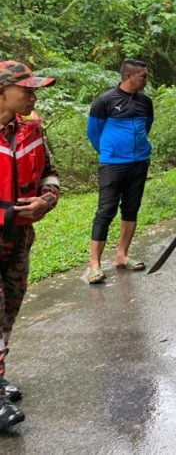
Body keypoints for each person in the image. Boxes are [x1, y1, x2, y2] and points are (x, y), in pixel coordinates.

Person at [0, 61, 60, 432]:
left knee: (10, 307)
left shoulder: (31, 128)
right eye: (27, 90)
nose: (33, 96)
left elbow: (50, 172)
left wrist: (46, 199)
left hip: (20, 237)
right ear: (3, 91)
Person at [86, 58, 154, 284]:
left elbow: (146, 126)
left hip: (139, 161)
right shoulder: (104, 101)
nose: (146, 79)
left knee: (131, 208)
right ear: (129, 77)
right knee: (106, 210)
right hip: (113, 163)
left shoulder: (145, 101)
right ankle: (94, 264)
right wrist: (109, 150)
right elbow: (94, 133)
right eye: (143, 76)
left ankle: (122, 255)